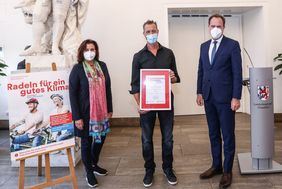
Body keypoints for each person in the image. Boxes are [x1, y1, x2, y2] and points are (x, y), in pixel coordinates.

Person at [130, 20, 180, 187]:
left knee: (168, 139)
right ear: (143, 34)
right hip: (147, 105)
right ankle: (149, 170)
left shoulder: (169, 53)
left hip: (166, 102)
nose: (151, 34)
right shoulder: (138, 57)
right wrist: (140, 104)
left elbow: (176, 77)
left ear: (157, 31)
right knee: (146, 139)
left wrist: (173, 78)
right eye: (148, 31)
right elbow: (135, 84)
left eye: (153, 30)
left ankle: (168, 169)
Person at [196, 14, 242, 189]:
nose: (216, 28)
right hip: (208, 97)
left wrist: (236, 97)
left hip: (226, 99)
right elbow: (201, 70)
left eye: (219, 26)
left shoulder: (232, 45)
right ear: (208, 26)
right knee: (213, 133)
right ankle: (216, 165)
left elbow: (237, 73)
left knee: (228, 135)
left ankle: (227, 171)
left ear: (224, 27)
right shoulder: (204, 46)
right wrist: (199, 91)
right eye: (213, 25)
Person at [69, 39, 113, 188]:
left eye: (92, 49)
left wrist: (110, 109)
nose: (90, 52)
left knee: (101, 139)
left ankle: (93, 163)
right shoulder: (77, 69)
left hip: (102, 111)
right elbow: (73, 94)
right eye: (87, 49)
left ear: (96, 51)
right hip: (85, 113)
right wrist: (77, 117)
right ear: (82, 52)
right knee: (87, 143)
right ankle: (89, 172)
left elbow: (107, 88)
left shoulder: (103, 66)